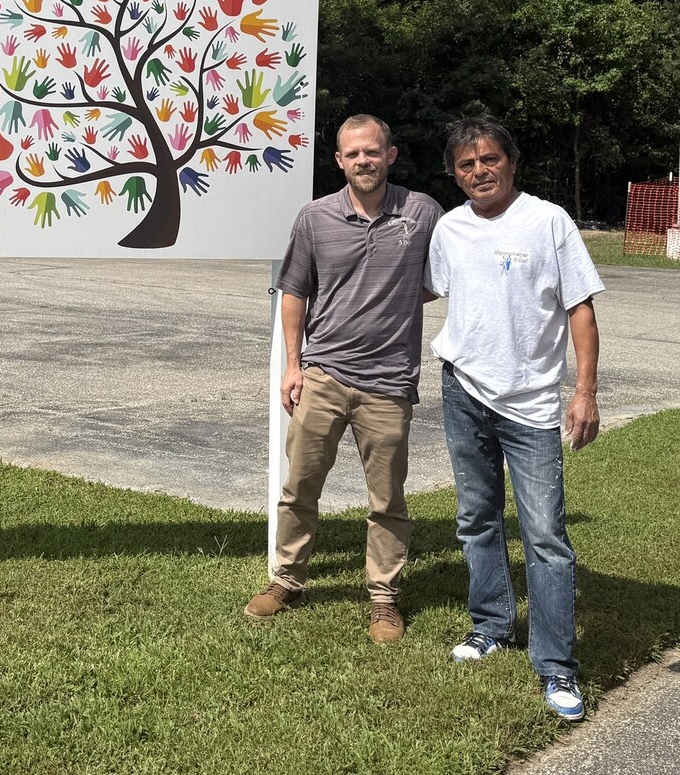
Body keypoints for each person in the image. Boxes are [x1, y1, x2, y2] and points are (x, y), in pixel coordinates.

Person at [425, 116, 604, 721]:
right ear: (454, 174)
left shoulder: (548, 221)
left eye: (489, 160)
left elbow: (580, 309)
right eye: (466, 164)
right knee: (476, 518)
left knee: (547, 537)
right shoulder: (448, 229)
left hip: (529, 402)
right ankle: (491, 625)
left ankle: (556, 665)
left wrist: (584, 391)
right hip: (463, 390)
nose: (479, 171)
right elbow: (428, 291)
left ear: (511, 161)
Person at [245, 115, 443, 644]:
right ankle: (286, 580)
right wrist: (293, 363)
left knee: (387, 499)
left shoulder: (421, 213)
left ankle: (383, 599)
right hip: (324, 375)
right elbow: (294, 291)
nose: (364, 161)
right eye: (353, 154)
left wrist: (398, 300)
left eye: (373, 152)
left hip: (389, 383)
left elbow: (441, 278)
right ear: (339, 160)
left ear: (391, 154)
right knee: (300, 486)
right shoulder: (315, 218)